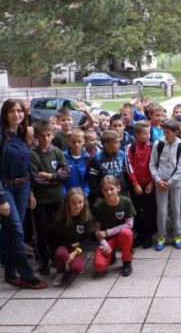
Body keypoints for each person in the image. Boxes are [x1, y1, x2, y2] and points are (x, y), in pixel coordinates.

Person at [0, 99, 48, 289]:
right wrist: (1, 199)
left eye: (20, 111)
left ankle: (11, 272)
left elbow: (26, 166)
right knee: (17, 232)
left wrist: (31, 191)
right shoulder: (2, 136)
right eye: (12, 111)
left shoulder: (20, 135)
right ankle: (27, 275)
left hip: (23, 188)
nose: (17, 114)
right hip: (6, 189)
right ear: (5, 114)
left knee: (13, 233)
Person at [30, 120, 70, 275]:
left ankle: (55, 258)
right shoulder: (32, 155)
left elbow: (66, 173)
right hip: (41, 200)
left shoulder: (57, 152)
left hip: (57, 197)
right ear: (36, 136)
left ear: (53, 135)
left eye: (48, 135)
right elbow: (35, 179)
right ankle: (44, 261)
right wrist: (56, 178)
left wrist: (51, 176)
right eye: (42, 136)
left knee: (56, 229)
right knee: (42, 231)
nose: (46, 139)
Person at [150, 119, 181, 250]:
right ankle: (161, 236)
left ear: (176, 132)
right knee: (161, 210)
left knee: (176, 209)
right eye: (164, 132)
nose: (165, 135)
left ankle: (178, 235)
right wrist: (158, 180)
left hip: (175, 183)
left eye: (168, 132)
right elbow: (152, 164)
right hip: (160, 182)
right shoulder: (158, 144)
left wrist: (170, 182)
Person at [93, 176, 135, 277]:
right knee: (99, 266)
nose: (109, 192)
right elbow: (97, 231)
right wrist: (104, 245)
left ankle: (127, 261)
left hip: (121, 236)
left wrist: (107, 232)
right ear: (102, 191)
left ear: (118, 188)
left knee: (127, 233)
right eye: (106, 190)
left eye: (112, 189)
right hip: (107, 240)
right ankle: (111, 255)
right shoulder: (98, 206)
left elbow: (129, 224)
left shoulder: (126, 202)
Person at [50, 187, 92, 286]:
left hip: (79, 248)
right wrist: (68, 245)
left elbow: (88, 238)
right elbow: (53, 238)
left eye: (80, 202)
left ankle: (79, 263)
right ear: (67, 203)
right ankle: (60, 272)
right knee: (60, 254)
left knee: (76, 269)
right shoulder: (59, 218)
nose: (77, 206)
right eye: (73, 203)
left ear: (84, 201)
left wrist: (76, 251)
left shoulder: (87, 217)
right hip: (64, 245)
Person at [125, 121, 155, 249]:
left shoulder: (153, 147)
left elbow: (156, 165)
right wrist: (135, 184)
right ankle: (140, 234)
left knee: (149, 210)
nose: (147, 136)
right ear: (136, 134)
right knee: (136, 210)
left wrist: (152, 183)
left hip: (149, 184)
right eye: (144, 133)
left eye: (149, 133)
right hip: (136, 186)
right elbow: (129, 167)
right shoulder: (130, 148)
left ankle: (148, 235)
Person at [88, 130, 128, 203]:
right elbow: (93, 178)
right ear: (107, 146)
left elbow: (125, 174)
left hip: (121, 192)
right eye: (116, 142)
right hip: (105, 194)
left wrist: (127, 189)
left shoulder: (122, 154)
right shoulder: (97, 157)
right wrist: (96, 195)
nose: (119, 144)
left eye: (119, 142)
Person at [64, 128, 91, 197]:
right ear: (68, 142)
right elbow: (60, 179)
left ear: (84, 141)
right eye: (73, 142)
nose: (76, 144)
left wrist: (86, 192)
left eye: (79, 141)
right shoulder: (63, 157)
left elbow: (88, 178)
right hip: (66, 195)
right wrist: (64, 194)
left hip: (82, 195)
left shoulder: (87, 158)